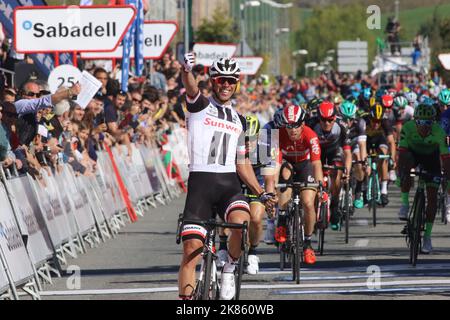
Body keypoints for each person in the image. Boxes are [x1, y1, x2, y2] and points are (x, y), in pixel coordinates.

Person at [177, 53, 276, 300]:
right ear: (213, 81)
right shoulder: (200, 106)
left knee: (242, 224)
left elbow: (242, 165)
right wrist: (186, 69)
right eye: (222, 79)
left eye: (232, 80)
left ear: (237, 84)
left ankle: (230, 269)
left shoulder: (240, 120)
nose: (226, 85)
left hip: (228, 184)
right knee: (191, 251)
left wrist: (262, 194)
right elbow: (190, 87)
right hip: (201, 185)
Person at [264, 104, 324, 265]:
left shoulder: (311, 136)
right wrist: (273, 190)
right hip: (287, 164)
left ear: (303, 124)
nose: (292, 130)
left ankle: (308, 243)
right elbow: (274, 166)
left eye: (296, 125)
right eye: (289, 126)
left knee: (308, 203)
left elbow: (317, 163)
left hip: (305, 165)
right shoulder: (278, 135)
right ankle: (282, 219)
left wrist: (321, 186)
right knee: (284, 173)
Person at [398, 104, 450, 252]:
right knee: (406, 168)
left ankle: (427, 236)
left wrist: (447, 177)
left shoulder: (439, 132)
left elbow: (446, 159)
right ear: (415, 121)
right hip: (412, 155)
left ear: (433, 122)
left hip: (431, 159)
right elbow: (402, 154)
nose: (425, 126)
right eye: (421, 122)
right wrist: (402, 173)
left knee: (432, 197)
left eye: (428, 122)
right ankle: (405, 204)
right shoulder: (407, 128)